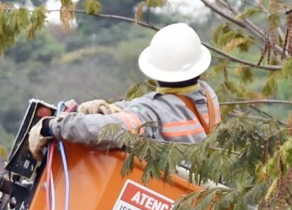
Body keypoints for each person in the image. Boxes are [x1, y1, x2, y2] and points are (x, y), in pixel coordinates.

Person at [26, 22, 220, 156]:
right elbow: (143, 112)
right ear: (199, 68)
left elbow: (104, 131)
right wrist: (113, 109)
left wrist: (51, 126)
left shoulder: (151, 113)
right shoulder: (208, 96)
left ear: (155, 72)